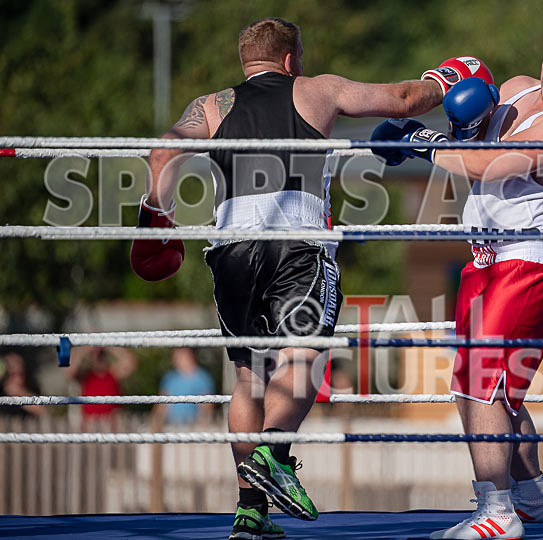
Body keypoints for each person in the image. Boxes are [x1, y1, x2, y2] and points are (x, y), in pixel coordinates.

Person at [130, 17, 489, 540]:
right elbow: (404, 99)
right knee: (303, 358)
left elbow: (164, 149)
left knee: (250, 377)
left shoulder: (210, 106)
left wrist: (156, 218)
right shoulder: (317, 89)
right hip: (297, 245)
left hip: (231, 250)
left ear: (245, 62)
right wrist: (451, 77)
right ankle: (274, 454)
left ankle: (250, 512)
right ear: (291, 58)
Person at [372, 24, 543, 539]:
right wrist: (460, 120)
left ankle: (497, 511)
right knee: (485, 389)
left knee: (482, 385)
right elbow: (474, 141)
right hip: (484, 260)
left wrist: (422, 144)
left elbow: (492, 166)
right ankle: (531, 496)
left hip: (531, 261)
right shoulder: (518, 88)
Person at [66, 346, 137, 430]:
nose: (99, 358)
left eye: (102, 355)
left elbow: (130, 363)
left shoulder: (114, 373)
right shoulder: (86, 376)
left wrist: (109, 346)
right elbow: (69, 368)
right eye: (96, 355)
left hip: (111, 426)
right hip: (91, 426)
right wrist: (83, 348)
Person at [152, 348, 215, 427]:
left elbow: (206, 409)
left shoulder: (202, 378)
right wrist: (155, 427)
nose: (175, 359)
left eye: (179, 355)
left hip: (193, 427)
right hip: (171, 426)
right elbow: (161, 407)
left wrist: (201, 429)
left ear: (190, 355)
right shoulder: (169, 378)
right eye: (175, 356)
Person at [0, 351, 45, 418]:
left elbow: (42, 410)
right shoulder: (1, 390)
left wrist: (19, 393)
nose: (18, 379)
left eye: (21, 374)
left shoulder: (31, 386)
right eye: (12, 375)